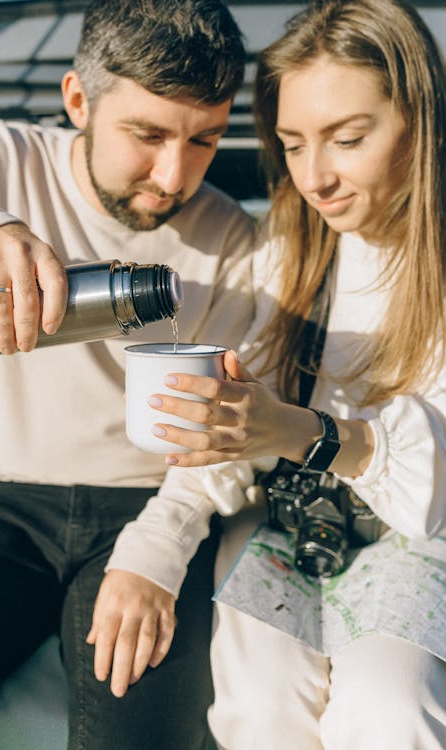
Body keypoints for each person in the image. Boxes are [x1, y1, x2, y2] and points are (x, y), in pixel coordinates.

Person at [119, 0, 446, 747]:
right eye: (293, 145)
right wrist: (149, 557)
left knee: (390, 714)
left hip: (418, 537)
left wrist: (300, 430)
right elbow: (218, 438)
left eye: (349, 139)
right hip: (283, 526)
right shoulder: (287, 251)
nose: (315, 178)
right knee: (258, 713)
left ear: (422, 121)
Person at [0, 1, 256, 748]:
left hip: (148, 507)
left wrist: (153, 557)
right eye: (147, 135)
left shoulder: (233, 242)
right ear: (78, 100)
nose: (174, 175)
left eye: (205, 139)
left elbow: (225, 442)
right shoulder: (0, 160)